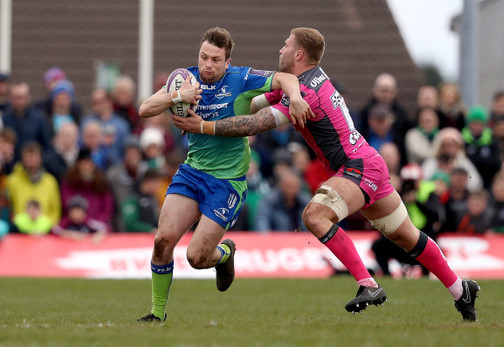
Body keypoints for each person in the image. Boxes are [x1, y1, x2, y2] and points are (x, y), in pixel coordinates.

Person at [175, 27, 480, 321]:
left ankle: (367, 284)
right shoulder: (305, 81)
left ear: (298, 53)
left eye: (285, 44)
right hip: (369, 163)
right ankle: (460, 289)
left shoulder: (305, 91)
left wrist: (201, 126)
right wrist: (211, 100)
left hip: (357, 168)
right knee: (406, 236)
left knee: (314, 216)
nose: (280, 49)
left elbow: (255, 124)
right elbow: (249, 104)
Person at [136, 27, 312, 322]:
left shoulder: (241, 79)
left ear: (227, 62)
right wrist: (179, 94)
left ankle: (225, 255)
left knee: (196, 258)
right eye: (204, 57)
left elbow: (286, 78)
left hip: (227, 183)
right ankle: (156, 314)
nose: (207, 64)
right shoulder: (187, 79)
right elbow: (144, 109)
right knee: (162, 241)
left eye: (215, 60)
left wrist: (294, 97)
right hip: (192, 174)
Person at [6, 142, 61, 226]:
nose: (31, 159)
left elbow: (55, 209)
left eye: (34, 156)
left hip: (45, 230)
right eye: (28, 156)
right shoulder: (12, 180)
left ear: (40, 159)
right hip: (18, 230)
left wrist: (48, 225)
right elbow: (8, 206)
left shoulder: (50, 181)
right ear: (22, 159)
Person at [60, 148, 114, 228]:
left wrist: (94, 222)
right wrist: (78, 217)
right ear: (78, 164)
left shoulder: (101, 183)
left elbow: (107, 208)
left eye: (90, 163)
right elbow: (66, 203)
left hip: (97, 227)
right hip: (73, 226)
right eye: (84, 163)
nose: (87, 167)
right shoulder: (69, 182)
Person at [3, 82, 52, 159]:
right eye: (14, 97)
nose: (18, 101)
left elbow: (47, 145)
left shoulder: (39, 119)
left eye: (21, 97)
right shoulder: (4, 118)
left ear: (28, 97)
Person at [461, 106, 501, 188]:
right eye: (474, 123)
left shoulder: (492, 140)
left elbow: (495, 163)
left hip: (488, 182)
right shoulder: (462, 140)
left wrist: (475, 160)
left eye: (479, 124)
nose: (476, 127)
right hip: (468, 182)